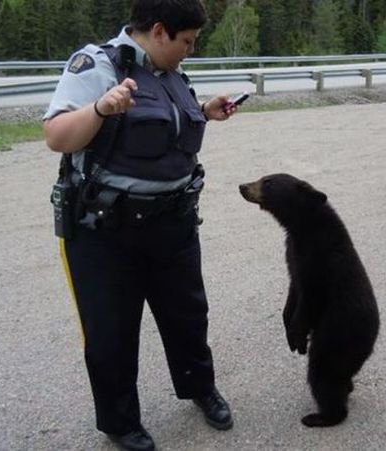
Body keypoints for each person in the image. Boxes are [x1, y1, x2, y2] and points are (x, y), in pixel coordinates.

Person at [43, 1, 239, 450]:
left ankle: (200, 388)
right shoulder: (97, 65)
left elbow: (160, 127)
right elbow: (56, 135)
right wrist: (99, 108)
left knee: (188, 316)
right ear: (159, 31)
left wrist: (203, 110)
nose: (190, 50)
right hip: (107, 232)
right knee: (111, 331)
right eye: (187, 41)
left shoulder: (169, 72)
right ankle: (120, 422)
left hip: (174, 223)